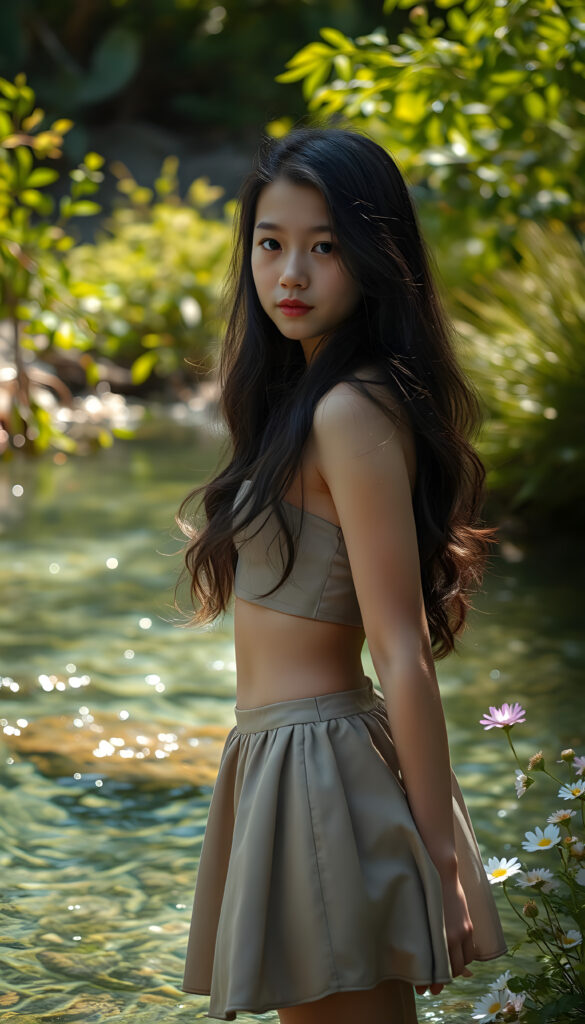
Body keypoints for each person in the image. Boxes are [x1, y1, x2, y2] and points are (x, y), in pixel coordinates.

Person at [176, 126, 507, 1023]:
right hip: (287, 758)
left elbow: (401, 648)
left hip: (319, 769)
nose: (290, 274)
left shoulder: (349, 410)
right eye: (270, 244)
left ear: (372, 256)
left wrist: (441, 866)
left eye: (323, 248)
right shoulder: (308, 398)